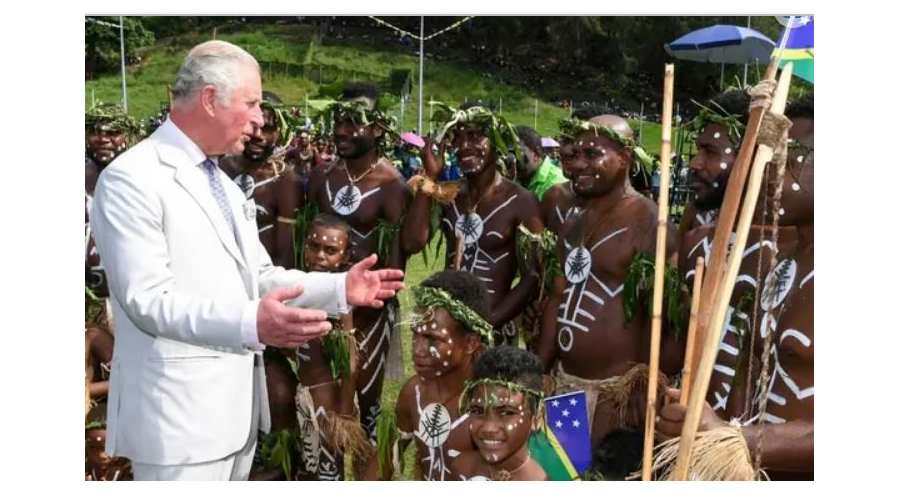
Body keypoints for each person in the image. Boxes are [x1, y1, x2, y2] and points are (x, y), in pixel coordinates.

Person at [89, 40, 405, 481]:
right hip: (177, 424)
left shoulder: (219, 180)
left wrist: (337, 289)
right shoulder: (134, 178)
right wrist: (251, 323)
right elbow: (148, 300)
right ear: (210, 99)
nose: (260, 118)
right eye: (252, 103)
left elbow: (257, 276)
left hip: (235, 420)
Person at [659, 93, 814, 480]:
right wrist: (705, 426)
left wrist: (730, 437)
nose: (763, 169)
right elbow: (744, 386)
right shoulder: (783, 265)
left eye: (787, 157)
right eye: (762, 154)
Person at [536, 115, 680, 448]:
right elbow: (558, 299)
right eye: (576, 155)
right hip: (563, 386)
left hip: (614, 395)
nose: (579, 164)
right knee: (560, 475)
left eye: (593, 155)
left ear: (625, 158)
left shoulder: (649, 223)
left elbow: (668, 320)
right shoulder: (574, 222)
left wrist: (644, 386)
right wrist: (538, 370)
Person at [306, 82, 411, 446]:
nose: (341, 130)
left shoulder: (391, 185)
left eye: (353, 122)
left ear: (377, 129)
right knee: (319, 404)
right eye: (339, 120)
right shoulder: (322, 176)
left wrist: (363, 314)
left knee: (365, 410)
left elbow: (397, 264)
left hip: (368, 318)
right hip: (319, 312)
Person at [404, 100, 543, 347]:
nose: (465, 146)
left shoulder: (521, 201)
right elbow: (413, 243)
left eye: (476, 137)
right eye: (457, 138)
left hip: (493, 330)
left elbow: (532, 276)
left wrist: (487, 324)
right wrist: (431, 175)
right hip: (447, 326)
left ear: (497, 142)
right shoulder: (449, 194)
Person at [367, 270, 493, 481]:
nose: (418, 349)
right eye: (415, 334)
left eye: (432, 339)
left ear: (470, 343)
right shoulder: (413, 393)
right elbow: (383, 461)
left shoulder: (492, 405)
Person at [294, 214, 371, 480]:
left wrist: (345, 413)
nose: (319, 256)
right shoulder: (293, 284)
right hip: (302, 394)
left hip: (328, 402)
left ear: (346, 256)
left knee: (328, 473)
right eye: (314, 246)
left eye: (330, 250)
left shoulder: (340, 297)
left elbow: (349, 357)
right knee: (305, 469)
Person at [220, 91, 302, 269]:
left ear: (279, 133)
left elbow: (285, 248)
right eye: (252, 124)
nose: (258, 134)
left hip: (261, 276)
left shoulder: (284, 178)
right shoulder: (222, 167)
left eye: (267, 128)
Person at [462, 345, 550, 480]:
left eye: (506, 413)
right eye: (478, 411)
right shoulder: (460, 468)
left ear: (536, 419)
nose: (489, 428)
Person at [85, 104, 142, 298]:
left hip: (133, 299)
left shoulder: (144, 180)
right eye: (94, 132)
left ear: (128, 137)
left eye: (113, 132)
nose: (102, 138)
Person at [679, 90, 751, 234]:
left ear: (749, 156)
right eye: (698, 149)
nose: (694, 163)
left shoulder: (783, 235)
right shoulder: (694, 215)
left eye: (710, 152)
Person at [514, 125, 568, 202]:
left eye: (519, 153)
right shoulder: (516, 178)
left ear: (536, 153)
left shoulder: (555, 185)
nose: (514, 159)